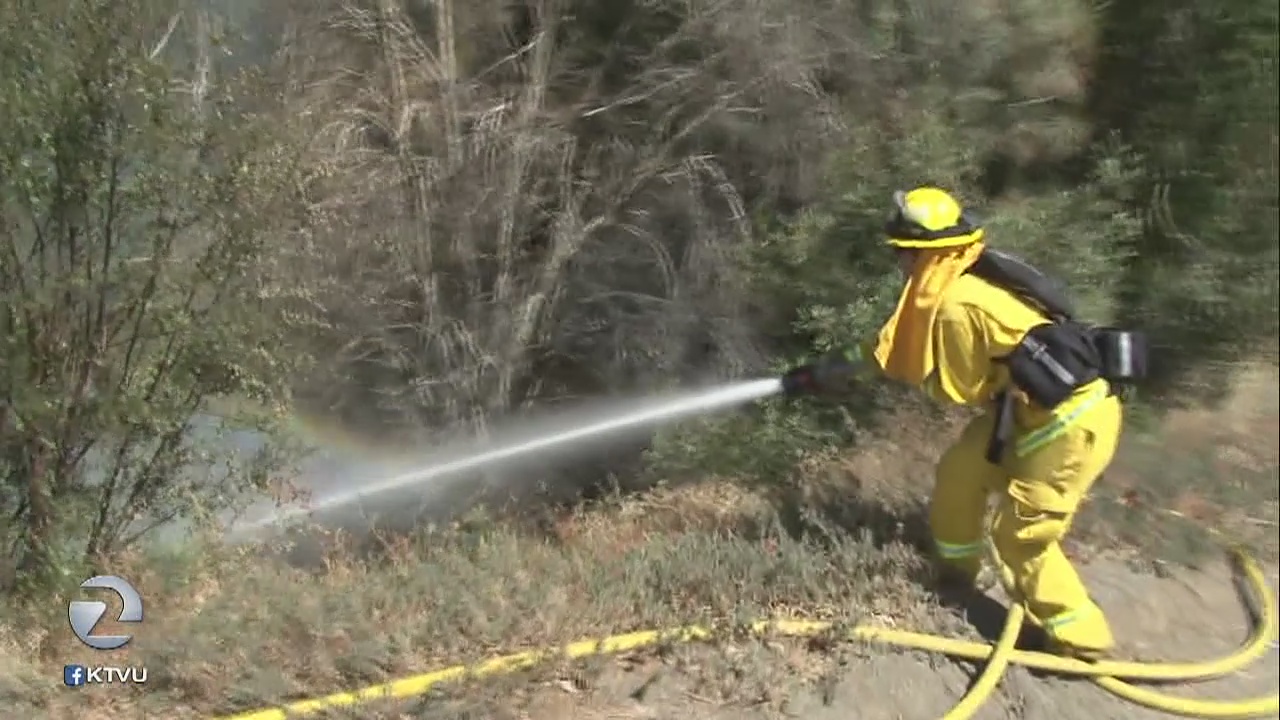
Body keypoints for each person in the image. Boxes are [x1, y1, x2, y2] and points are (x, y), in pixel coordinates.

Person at [780, 185, 1123, 660]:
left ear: (922, 254)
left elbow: (960, 390)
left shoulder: (957, 305)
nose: (899, 261)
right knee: (962, 471)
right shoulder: (960, 275)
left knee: (1021, 538)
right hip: (1024, 408)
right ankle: (956, 573)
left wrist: (904, 380)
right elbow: (891, 345)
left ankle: (1080, 639)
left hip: (1068, 423)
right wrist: (830, 368)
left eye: (903, 252)